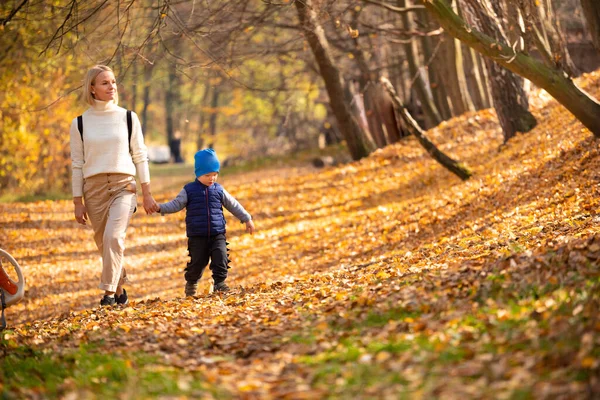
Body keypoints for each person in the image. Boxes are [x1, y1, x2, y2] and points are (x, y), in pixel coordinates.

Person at [70, 65, 160, 307]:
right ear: (92, 88)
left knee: (113, 237)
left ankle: (108, 294)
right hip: (94, 190)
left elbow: (140, 156)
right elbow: (77, 164)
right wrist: (77, 201)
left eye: (113, 82)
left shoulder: (128, 117)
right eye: (104, 83)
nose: (112, 87)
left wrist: (147, 193)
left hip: (124, 186)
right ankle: (121, 291)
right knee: (105, 245)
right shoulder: (79, 123)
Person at [158, 148, 255, 296]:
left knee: (221, 258)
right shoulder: (189, 190)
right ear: (198, 174)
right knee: (197, 262)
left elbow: (233, 204)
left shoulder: (218, 190)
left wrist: (246, 218)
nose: (212, 179)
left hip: (217, 233)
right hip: (197, 235)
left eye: (215, 175)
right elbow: (176, 204)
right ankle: (191, 283)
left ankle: (220, 284)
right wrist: (160, 208)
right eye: (207, 175)